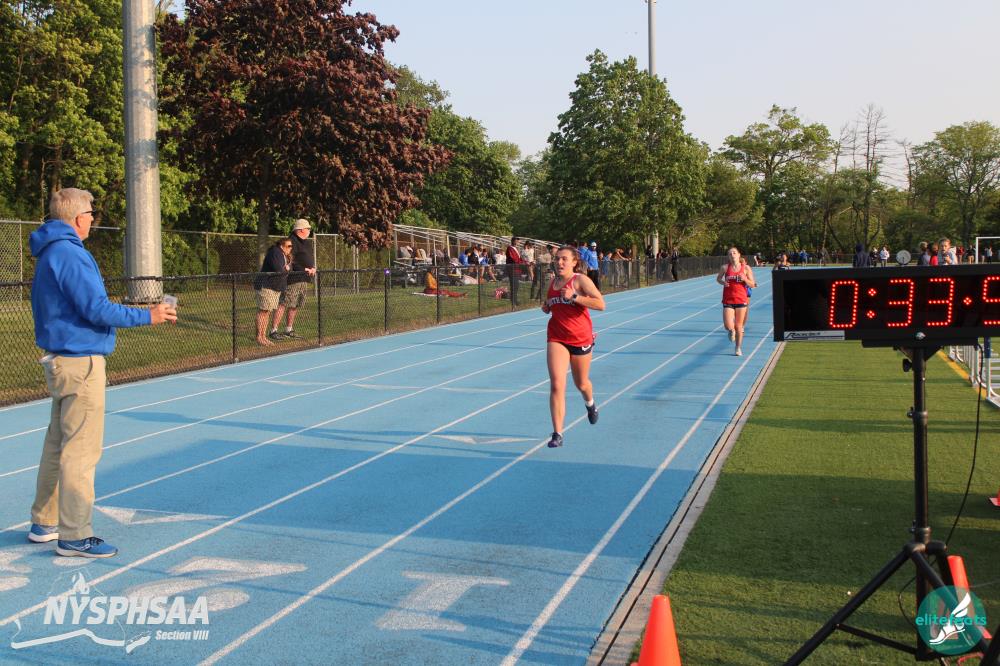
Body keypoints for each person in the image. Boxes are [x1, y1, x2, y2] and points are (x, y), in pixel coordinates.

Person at [28, 188, 177, 558]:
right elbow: (96, 309)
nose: (94, 218)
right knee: (81, 450)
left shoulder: (50, 251)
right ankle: (75, 534)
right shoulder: (70, 253)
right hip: (80, 362)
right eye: (91, 213)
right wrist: (148, 315)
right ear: (78, 218)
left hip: (62, 359)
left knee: (56, 445)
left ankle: (45, 521)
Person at [541, 246, 605, 448]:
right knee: (557, 384)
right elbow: (551, 303)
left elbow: (601, 304)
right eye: (557, 259)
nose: (559, 262)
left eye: (564, 259)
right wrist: (547, 307)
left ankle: (590, 404)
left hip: (580, 338)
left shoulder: (580, 281)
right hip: (556, 337)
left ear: (574, 262)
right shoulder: (552, 282)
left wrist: (575, 297)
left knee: (582, 383)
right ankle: (557, 433)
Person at [271, 218, 316, 340]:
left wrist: (312, 268)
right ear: (301, 230)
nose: (309, 230)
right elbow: (289, 260)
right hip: (292, 279)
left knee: (295, 304)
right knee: (284, 303)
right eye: (308, 228)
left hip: (303, 278)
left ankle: (288, 329)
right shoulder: (291, 241)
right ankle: (274, 330)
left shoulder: (306, 242)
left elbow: (308, 258)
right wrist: (303, 269)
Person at [716, 246, 756, 357]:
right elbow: (718, 279)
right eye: (730, 253)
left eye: (734, 253)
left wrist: (745, 279)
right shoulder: (725, 268)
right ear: (728, 257)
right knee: (728, 325)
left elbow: (753, 284)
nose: (732, 255)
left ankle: (738, 348)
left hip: (741, 299)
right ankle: (731, 331)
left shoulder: (746, 268)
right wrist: (723, 282)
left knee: (739, 326)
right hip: (728, 299)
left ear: (739, 255)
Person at [254, 238, 292, 345]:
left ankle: (263, 336)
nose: (290, 248)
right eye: (288, 246)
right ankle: (259, 337)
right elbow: (278, 269)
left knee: (267, 312)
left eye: (291, 246)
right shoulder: (275, 252)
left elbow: (289, 268)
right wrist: (286, 268)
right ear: (281, 246)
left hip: (274, 287)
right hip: (266, 286)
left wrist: (287, 267)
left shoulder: (284, 255)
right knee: (263, 311)